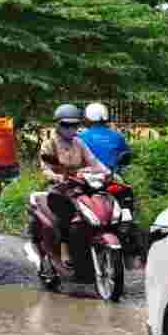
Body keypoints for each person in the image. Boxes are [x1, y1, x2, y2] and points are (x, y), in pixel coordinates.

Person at [39, 103, 109, 277]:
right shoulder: (49, 144)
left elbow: (94, 162)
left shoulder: (79, 142)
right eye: (66, 125)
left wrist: (106, 171)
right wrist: (57, 177)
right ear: (58, 125)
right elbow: (46, 168)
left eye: (74, 125)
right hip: (59, 189)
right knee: (67, 214)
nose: (70, 129)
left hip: (81, 186)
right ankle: (64, 248)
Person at [79, 102, 131, 172]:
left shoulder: (81, 136)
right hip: (112, 175)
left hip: (88, 175)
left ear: (88, 118)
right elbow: (126, 156)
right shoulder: (118, 136)